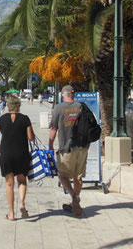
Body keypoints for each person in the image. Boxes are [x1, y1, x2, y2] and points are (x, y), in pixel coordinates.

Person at [0, 97, 35, 221]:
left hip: (6, 154)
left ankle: (11, 213)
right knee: (22, 180)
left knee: (9, 184)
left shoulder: (2, 119)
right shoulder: (25, 119)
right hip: (21, 154)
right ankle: (21, 203)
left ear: (8, 106)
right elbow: (31, 138)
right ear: (19, 106)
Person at [48, 85, 86, 216]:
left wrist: (50, 145)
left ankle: (74, 197)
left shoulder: (59, 108)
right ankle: (74, 202)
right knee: (78, 177)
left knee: (62, 175)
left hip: (66, 148)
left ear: (63, 95)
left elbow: (53, 129)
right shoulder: (81, 106)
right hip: (82, 147)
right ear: (73, 94)